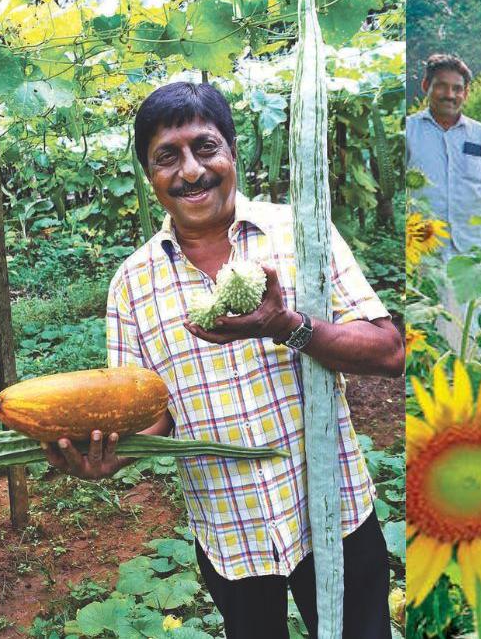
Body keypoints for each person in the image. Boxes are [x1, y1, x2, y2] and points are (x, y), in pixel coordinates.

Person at [41, 81, 403, 639]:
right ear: (149, 175)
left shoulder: (301, 231)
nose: (190, 171)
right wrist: (110, 457)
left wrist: (289, 327)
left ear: (232, 152)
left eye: (204, 148)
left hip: (335, 511)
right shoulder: (132, 284)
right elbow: (151, 414)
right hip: (229, 533)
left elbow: (389, 350)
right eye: (167, 157)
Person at [406, 54, 481, 349]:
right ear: (426, 85)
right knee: (433, 323)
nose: (450, 94)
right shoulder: (410, 131)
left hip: (475, 248)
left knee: (477, 320)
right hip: (427, 248)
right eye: (441, 86)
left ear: (465, 92)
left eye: (457, 88)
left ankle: (472, 378)